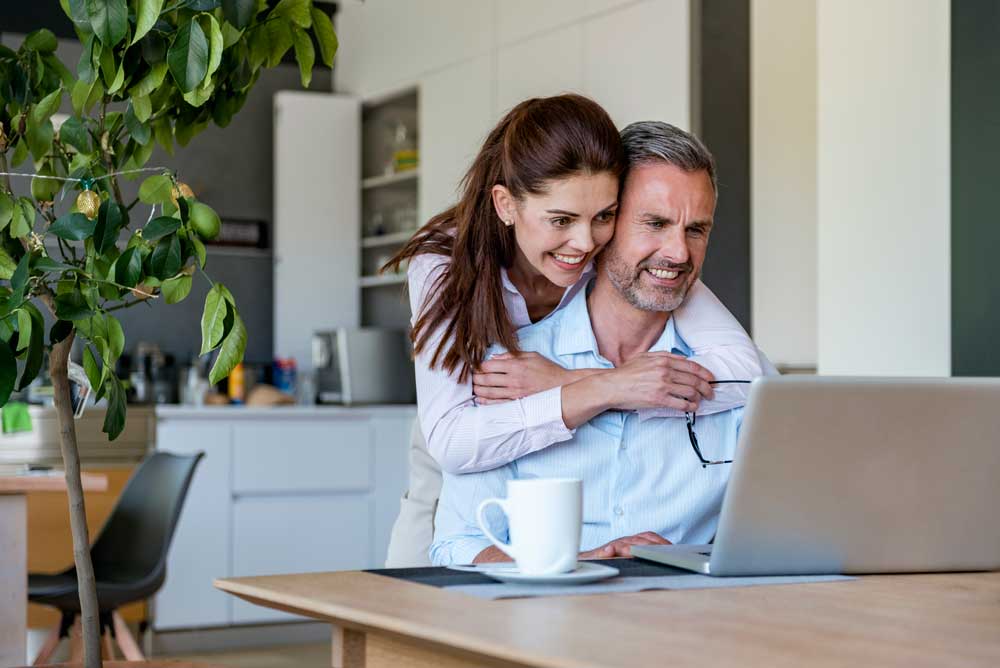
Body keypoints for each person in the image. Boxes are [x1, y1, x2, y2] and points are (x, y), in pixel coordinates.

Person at [385, 96, 762, 567]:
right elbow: (454, 447)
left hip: (538, 386)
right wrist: (605, 386)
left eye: (603, 217)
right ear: (506, 205)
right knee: (413, 576)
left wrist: (579, 381)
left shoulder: (634, 259)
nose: (584, 243)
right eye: (561, 220)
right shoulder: (446, 264)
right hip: (466, 412)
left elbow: (754, 380)